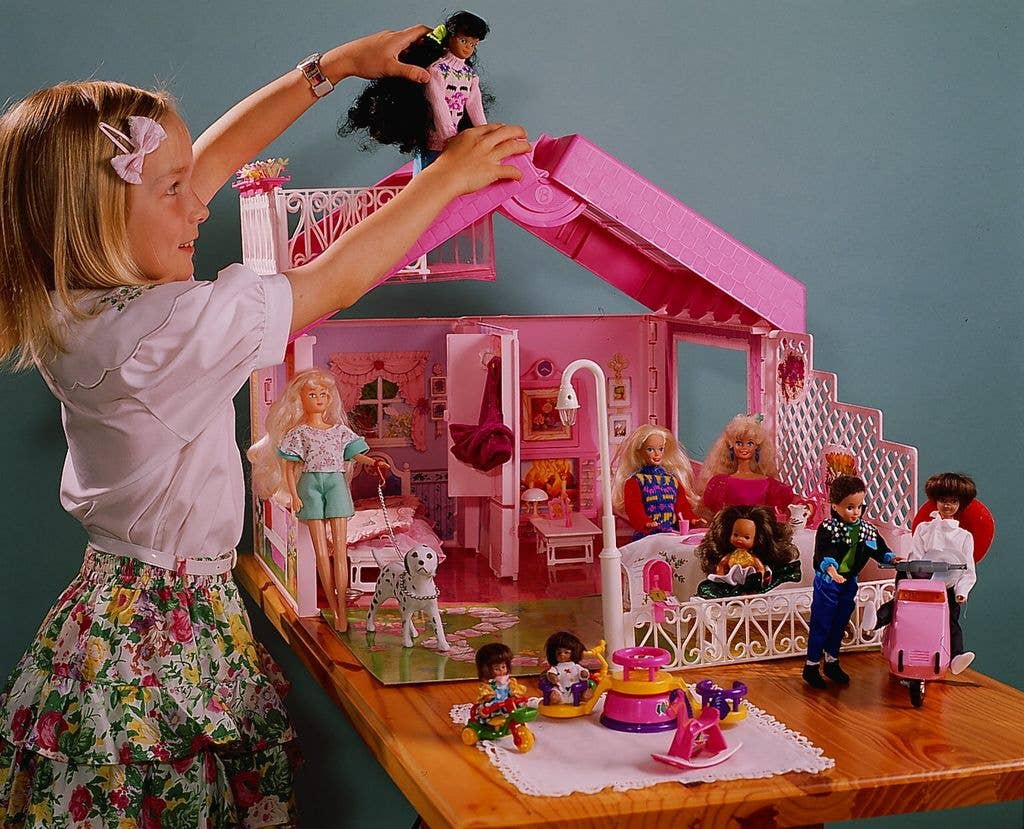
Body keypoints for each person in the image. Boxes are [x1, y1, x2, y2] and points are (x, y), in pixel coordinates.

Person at [0, 25, 528, 826]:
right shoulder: (165, 334)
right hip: (161, 627)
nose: (199, 204)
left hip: (120, 613)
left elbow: (206, 159)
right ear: (98, 220)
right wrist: (448, 179)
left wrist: (333, 68)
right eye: (171, 192)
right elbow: (335, 280)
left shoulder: (75, 304)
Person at [249, 368, 386, 633]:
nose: (320, 399)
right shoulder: (297, 433)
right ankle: (335, 607)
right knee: (320, 552)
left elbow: (355, 454)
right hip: (309, 485)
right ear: (301, 399)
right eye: (313, 394)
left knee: (340, 551)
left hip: (335, 483)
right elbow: (289, 467)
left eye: (324, 394)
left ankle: (342, 609)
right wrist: (295, 495)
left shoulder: (339, 431)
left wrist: (374, 462)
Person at [343, 11, 491, 172]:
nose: (468, 48)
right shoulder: (437, 70)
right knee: (427, 173)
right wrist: (448, 135)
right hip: (436, 134)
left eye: (473, 44)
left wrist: (483, 132)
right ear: (450, 37)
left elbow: (474, 105)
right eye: (463, 40)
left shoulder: (470, 75)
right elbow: (437, 101)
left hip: (456, 137)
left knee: (448, 178)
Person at [867, 472, 983, 674]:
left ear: (961, 504)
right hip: (921, 578)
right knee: (900, 606)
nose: (947, 506)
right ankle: (875, 619)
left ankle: (956, 656)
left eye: (953, 501)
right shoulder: (924, 528)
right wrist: (914, 570)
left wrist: (961, 591)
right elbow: (917, 554)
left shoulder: (964, 536)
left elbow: (968, 569)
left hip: (948, 585)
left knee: (950, 620)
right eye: (943, 500)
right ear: (935, 501)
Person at [803, 475, 896, 689]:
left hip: (848, 582)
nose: (856, 512)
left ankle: (832, 661)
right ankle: (811, 665)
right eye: (849, 507)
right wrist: (832, 571)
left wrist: (891, 558)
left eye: (859, 507)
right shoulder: (828, 529)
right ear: (834, 506)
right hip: (828, 582)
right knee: (822, 622)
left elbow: (878, 549)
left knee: (840, 622)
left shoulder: (865, 530)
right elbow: (824, 553)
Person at [611, 425, 699, 541]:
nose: (657, 454)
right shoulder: (636, 481)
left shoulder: (672, 480)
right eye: (650, 449)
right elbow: (634, 508)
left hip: (671, 533)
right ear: (640, 452)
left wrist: (691, 519)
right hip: (648, 536)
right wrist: (645, 522)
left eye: (661, 449)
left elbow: (681, 506)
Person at [697, 414, 795, 518]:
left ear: (757, 447)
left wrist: (808, 505)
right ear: (731, 446)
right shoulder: (720, 483)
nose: (744, 448)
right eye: (739, 443)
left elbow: (790, 500)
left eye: (750, 443)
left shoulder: (768, 483)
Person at [695, 504, 800, 598]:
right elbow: (722, 564)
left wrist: (762, 577)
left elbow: (759, 567)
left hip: (752, 582)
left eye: (746, 537)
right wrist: (721, 578)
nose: (740, 539)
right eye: (735, 535)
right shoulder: (730, 556)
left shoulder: (753, 557)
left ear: (757, 539)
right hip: (730, 583)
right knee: (705, 588)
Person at [538, 631, 594, 706]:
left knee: (585, 693)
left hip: (575, 690)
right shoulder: (556, 668)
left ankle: (582, 696)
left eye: (566, 652)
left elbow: (583, 672)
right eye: (559, 653)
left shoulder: (576, 666)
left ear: (573, 653)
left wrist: (584, 674)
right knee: (554, 696)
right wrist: (552, 677)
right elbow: (551, 673)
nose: (562, 655)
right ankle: (556, 699)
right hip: (560, 689)